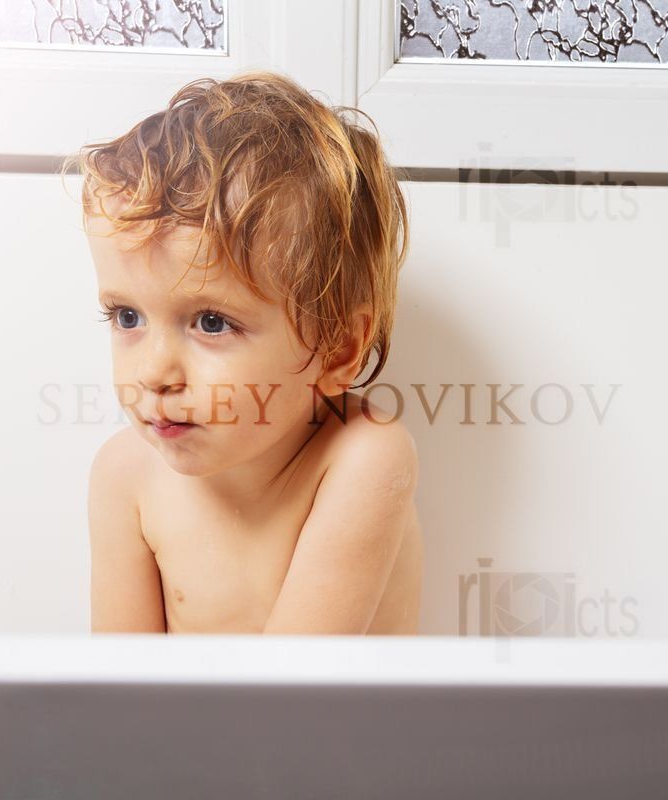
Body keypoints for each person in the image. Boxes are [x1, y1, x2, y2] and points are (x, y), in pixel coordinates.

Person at [66, 70, 423, 634]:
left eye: (211, 322)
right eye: (126, 316)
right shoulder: (125, 476)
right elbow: (120, 697)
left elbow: (287, 704)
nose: (153, 373)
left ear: (337, 350)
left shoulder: (361, 458)